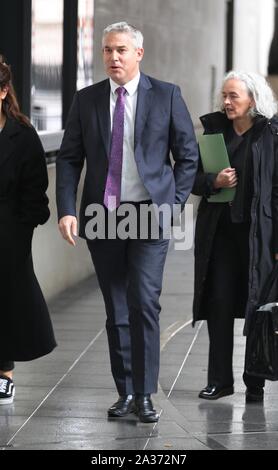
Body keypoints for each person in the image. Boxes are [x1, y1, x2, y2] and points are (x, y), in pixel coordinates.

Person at [56, 21, 198, 422]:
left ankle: (145, 393)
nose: (113, 57)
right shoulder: (86, 100)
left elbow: (187, 156)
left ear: (138, 53)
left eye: (120, 50)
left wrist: (173, 204)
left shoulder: (167, 96)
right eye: (106, 50)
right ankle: (126, 392)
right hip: (103, 216)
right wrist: (67, 209)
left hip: (149, 215)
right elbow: (69, 158)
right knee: (116, 307)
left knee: (144, 303)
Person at [192, 71, 278, 402]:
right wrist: (214, 181)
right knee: (219, 305)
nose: (227, 102)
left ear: (253, 101)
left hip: (260, 237)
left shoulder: (270, 134)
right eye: (224, 96)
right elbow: (190, 178)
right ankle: (219, 380)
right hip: (221, 238)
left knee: (259, 307)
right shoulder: (214, 133)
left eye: (234, 97)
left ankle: (254, 381)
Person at [0, 56, 56, 404]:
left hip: (8, 232)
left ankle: (4, 371)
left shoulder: (22, 135)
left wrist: (20, 229)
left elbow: (36, 192)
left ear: (3, 91)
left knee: (7, 299)